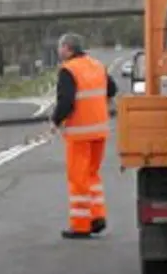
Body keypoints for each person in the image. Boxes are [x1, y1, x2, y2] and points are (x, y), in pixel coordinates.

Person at [50, 33, 118, 239]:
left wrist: (55, 120)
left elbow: (66, 100)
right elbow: (112, 88)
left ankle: (81, 225)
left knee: (78, 178)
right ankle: (97, 217)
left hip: (79, 133)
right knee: (92, 175)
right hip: (99, 130)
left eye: (60, 48)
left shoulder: (68, 70)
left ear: (68, 49)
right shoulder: (97, 65)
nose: (58, 52)